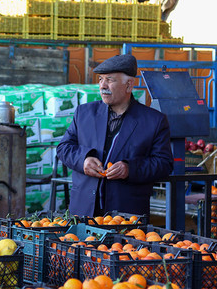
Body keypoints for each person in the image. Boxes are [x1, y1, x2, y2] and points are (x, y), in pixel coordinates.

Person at [56, 54, 173, 217]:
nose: (103, 85)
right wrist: (83, 160)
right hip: (83, 212)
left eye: (110, 80)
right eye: (100, 79)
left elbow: (163, 164)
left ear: (129, 85)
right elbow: (64, 148)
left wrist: (129, 169)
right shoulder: (84, 113)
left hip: (126, 216)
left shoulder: (154, 121)